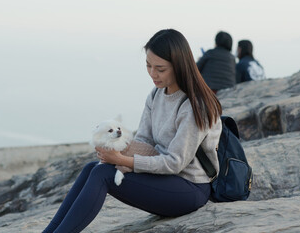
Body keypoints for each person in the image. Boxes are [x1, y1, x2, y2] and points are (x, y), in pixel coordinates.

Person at [42, 29, 222, 233]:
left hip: (190, 188)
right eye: (148, 65)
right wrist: (114, 152)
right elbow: (143, 141)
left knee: (102, 175)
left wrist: (122, 161)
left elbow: (174, 163)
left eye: (160, 69)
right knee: (91, 168)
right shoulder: (156, 95)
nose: (153, 74)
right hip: (162, 179)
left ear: (179, 66)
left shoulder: (195, 105)